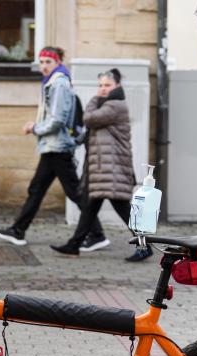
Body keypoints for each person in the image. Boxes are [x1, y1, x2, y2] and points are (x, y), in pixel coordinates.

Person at [0, 46, 108, 251]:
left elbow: (57, 119)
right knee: (38, 190)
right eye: (41, 61)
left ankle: (97, 234)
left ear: (58, 63)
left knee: (72, 192)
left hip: (58, 146)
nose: (44, 66)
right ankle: (18, 230)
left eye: (48, 62)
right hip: (53, 145)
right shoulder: (53, 81)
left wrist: (34, 128)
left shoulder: (59, 83)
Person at [50, 68, 153, 262]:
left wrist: (95, 98)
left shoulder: (115, 105)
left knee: (123, 210)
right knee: (89, 208)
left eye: (107, 85)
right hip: (103, 169)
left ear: (117, 86)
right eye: (100, 85)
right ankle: (74, 245)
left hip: (112, 168)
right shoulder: (109, 104)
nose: (103, 89)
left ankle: (145, 246)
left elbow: (89, 118)